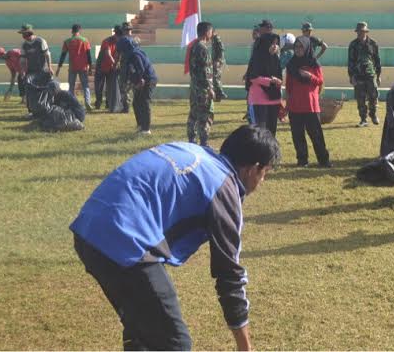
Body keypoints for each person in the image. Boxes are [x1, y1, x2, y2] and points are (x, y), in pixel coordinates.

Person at [70, 125, 280, 351]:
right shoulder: (224, 188)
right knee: (175, 343)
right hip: (124, 242)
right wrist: (245, 346)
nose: (262, 181)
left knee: (143, 326)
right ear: (253, 169)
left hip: (89, 230)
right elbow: (229, 274)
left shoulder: (193, 151)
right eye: (265, 172)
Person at [285, 36, 331, 167]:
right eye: (296, 47)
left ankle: (324, 160)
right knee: (297, 135)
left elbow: (320, 81)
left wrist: (310, 76)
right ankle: (302, 160)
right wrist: (287, 105)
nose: (298, 49)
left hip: (311, 105)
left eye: (301, 47)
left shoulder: (313, 63)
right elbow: (288, 87)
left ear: (306, 47)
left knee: (316, 135)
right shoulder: (291, 65)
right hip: (295, 106)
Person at [117, 37, 157, 135]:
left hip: (147, 80)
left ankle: (146, 129)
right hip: (141, 80)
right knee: (136, 103)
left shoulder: (135, 54)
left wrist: (139, 81)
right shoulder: (132, 53)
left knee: (144, 103)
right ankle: (141, 126)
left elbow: (140, 69)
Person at [246, 33, 283, 135]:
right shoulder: (257, 57)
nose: (275, 46)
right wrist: (270, 81)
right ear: (266, 44)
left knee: (271, 134)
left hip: (273, 100)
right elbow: (253, 77)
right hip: (259, 100)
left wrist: (279, 81)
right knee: (259, 134)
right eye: (272, 43)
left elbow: (280, 77)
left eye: (277, 43)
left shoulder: (276, 58)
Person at [187, 22, 216, 146]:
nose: (212, 34)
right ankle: (204, 142)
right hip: (203, 89)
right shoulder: (203, 48)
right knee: (205, 114)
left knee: (194, 113)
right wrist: (210, 88)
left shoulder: (193, 46)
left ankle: (192, 139)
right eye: (211, 31)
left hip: (194, 87)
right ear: (206, 32)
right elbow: (206, 71)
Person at [348, 22, 381, 127]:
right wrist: (351, 76)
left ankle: (373, 114)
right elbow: (350, 62)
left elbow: (377, 61)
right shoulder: (353, 45)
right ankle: (363, 119)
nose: (360, 34)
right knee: (360, 98)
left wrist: (379, 76)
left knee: (373, 96)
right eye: (359, 32)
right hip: (358, 75)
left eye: (362, 31)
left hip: (371, 74)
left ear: (366, 32)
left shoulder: (373, 44)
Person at [56, 24, 94, 110]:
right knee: (85, 86)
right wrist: (90, 66)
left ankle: (71, 103)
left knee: (71, 86)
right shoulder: (85, 40)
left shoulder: (67, 41)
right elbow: (88, 55)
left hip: (73, 66)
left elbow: (63, 55)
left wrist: (59, 67)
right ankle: (87, 102)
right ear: (79, 31)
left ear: (72, 31)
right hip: (83, 66)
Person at [95, 27, 119, 111]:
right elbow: (108, 54)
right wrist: (115, 63)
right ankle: (98, 102)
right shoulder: (107, 41)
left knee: (110, 87)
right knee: (99, 87)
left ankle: (108, 104)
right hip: (101, 67)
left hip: (110, 68)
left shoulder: (119, 42)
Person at [116, 23, 137, 114]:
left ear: (123, 31)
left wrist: (115, 63)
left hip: (125, 67)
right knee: (135, 87)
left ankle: (126, 107)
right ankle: (137, 105)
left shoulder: (121, 40)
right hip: (135, 66)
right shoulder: (135, 40)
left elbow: (118, 54)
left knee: (123, 88)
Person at [211, 31, 227, 102]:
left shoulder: (217, 39)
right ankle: (218, 96)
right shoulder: (214, 40)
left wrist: (218, 60)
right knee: (216, 78)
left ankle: (221, 92)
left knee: (215, 77)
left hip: (217, 62)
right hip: (215, 61)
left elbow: (221, 50)